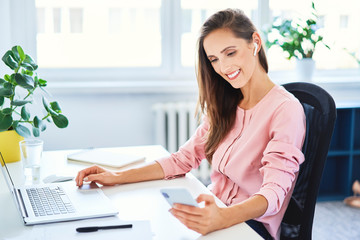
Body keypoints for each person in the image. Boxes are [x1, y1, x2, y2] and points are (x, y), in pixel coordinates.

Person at [75, 8, 306, 240]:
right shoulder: (226, 103)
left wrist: (222, 217)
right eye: (214, 59)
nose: (223, 68)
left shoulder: (286, 109)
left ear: (254, 42)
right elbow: (182, 160)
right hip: (215, 210)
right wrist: (117, 176)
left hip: (249, 227)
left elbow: (274, 193)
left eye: (230, 53)